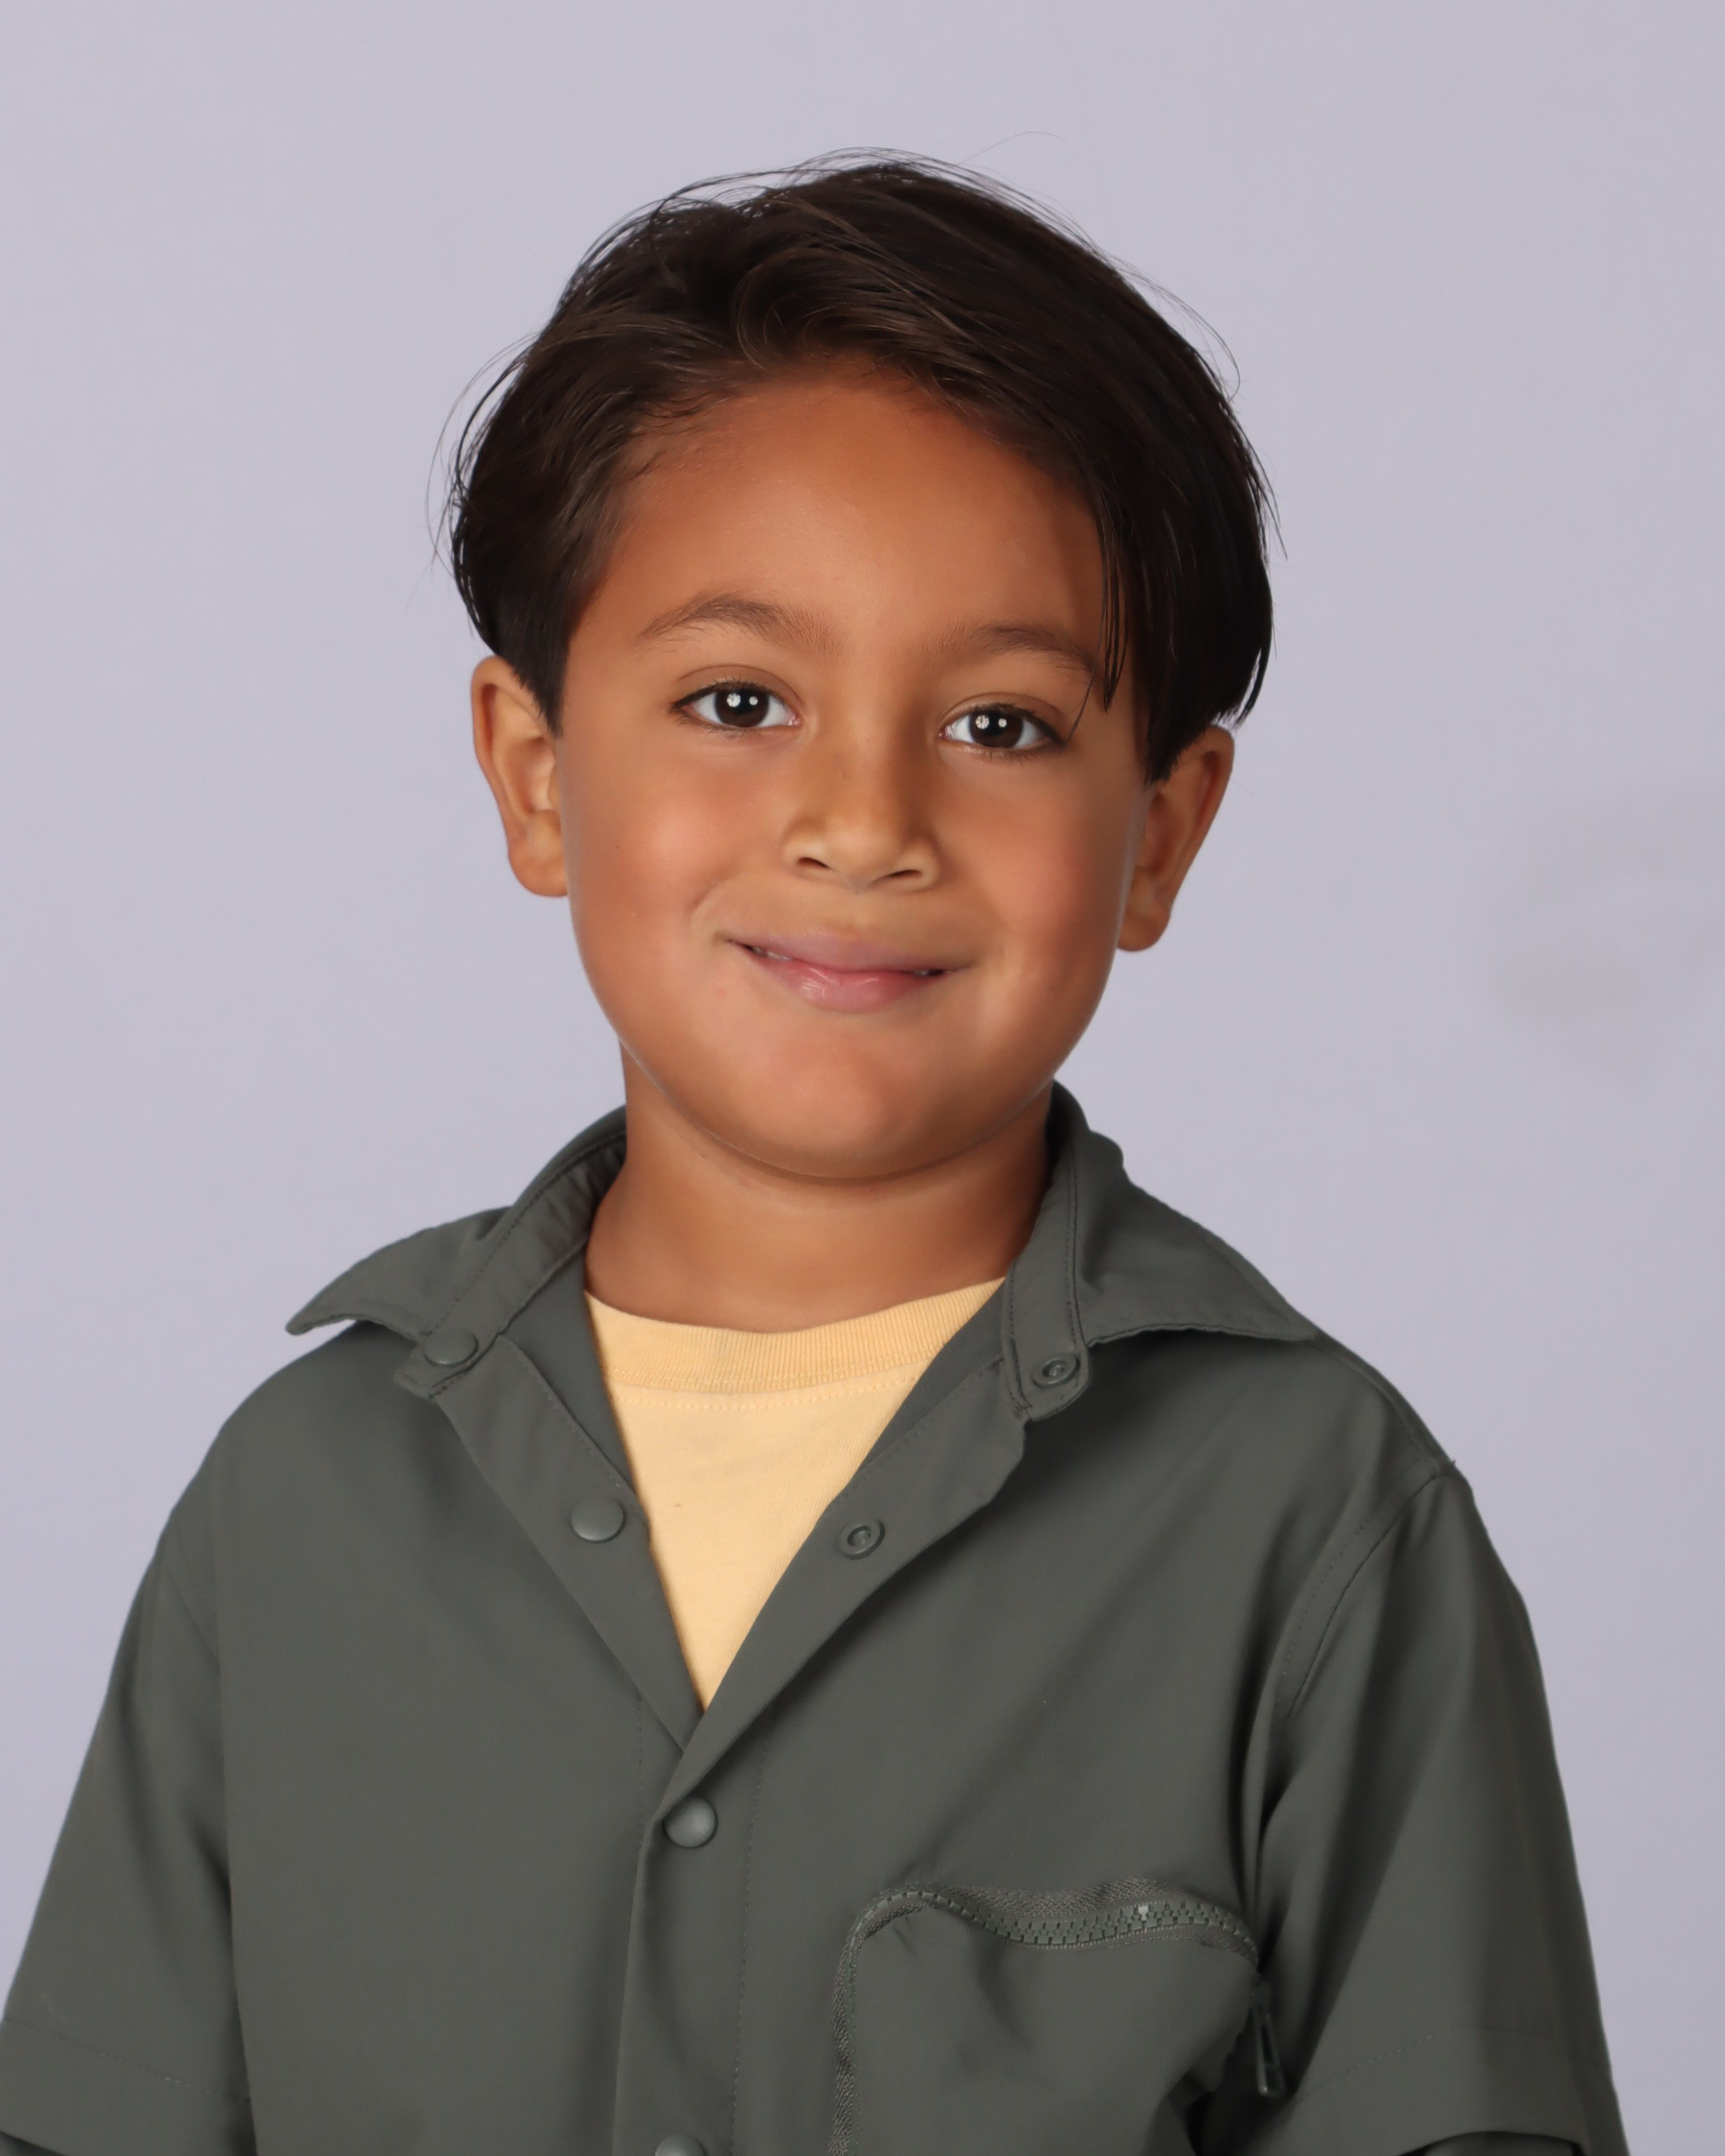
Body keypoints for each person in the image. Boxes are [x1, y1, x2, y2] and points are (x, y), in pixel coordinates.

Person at [0, 159, 1626, 2156]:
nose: (863, 824)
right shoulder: (301, 1509)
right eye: (739, 700)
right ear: (535, 774)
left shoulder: (1320, 1525)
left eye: (1004, 726)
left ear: (1163, 834)